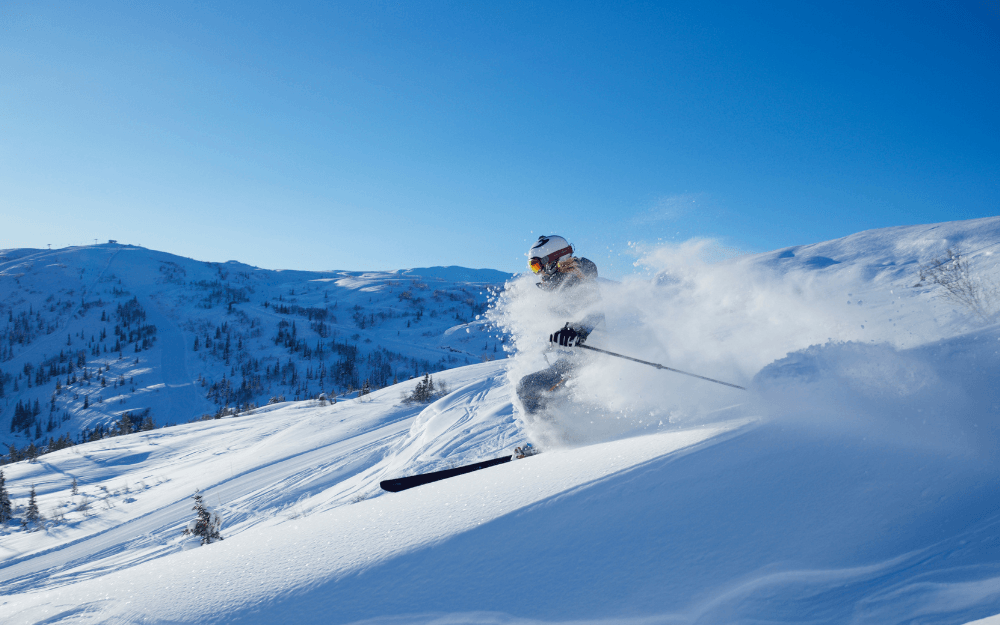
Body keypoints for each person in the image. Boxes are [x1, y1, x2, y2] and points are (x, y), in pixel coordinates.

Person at [516, 235, 604, 416]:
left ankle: (550, 441)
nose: (537, 272)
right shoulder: (561, 286)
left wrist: (577, 330)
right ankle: (561, 436)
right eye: (533, 267)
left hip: (589, 363)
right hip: (570, 362)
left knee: (528, 387)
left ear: (554, 261)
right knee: (541, 392)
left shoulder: (582, 282)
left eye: (538, 265)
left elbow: (597, 310)